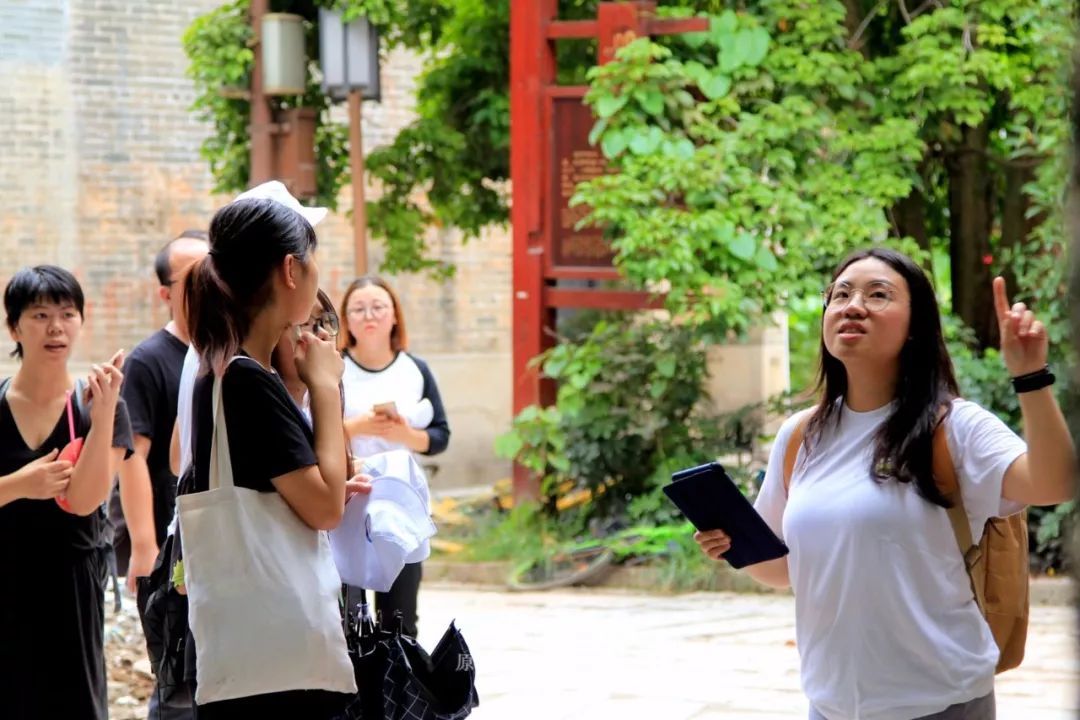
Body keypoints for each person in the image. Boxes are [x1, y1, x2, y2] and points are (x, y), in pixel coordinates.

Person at [694, 248, 1076, 720]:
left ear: (915, 324)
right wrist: (734, 544)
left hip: (941, 704)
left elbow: (1055, 483)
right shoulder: (800, 436)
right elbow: (786, 571)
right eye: (841, 294)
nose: (853, 305)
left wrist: (1030, 376)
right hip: (831, 706)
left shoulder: (954, 428)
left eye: (878, 294)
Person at [181, 195, 352, 718]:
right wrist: (324, 387)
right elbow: (326, 508)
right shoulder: (248, 381)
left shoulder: (223, 372)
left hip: (245, 653)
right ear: (291, 269)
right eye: (314, 258)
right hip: (280, 665)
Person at [0, 265, 133, 720]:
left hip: (72, 581)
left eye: (68, 313)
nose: (56, 327)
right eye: (39, 316)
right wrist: (21, 485)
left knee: (75, 703)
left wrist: (104, 415)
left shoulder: (98, 401)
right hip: (8, 573)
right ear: (14, 326)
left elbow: (88, 499)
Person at [338, 275, 450, 636]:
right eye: (358, 308)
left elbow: (439, 436)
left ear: (395, 316)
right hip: (344, 499)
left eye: (378, 307)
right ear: (346, 319)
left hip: (401, 501)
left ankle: (399, 691)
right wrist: (357, 427)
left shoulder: (415, 369)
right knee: (346, 617)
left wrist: (405, 434)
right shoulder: (333, 368)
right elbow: (309, 432)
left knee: (399, 619)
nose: (369, 315)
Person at [111, 230, 208, 592]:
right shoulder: (147, 361)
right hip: (166, 533)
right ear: (165, 293)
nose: (206, 285)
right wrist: (143, 544)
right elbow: (131, 456)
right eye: (193, 278)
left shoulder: (222, 350)